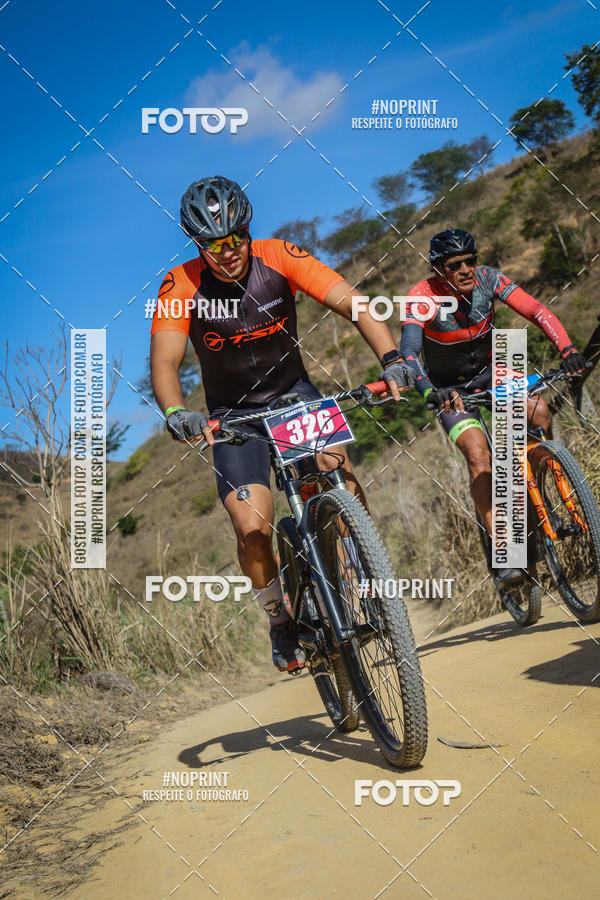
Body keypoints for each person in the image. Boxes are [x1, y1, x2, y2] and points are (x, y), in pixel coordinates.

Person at [150, 175, 415, 672]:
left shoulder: (280, 256)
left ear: (248, 229)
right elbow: (165, 362)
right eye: (212, 244)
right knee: (251, 528)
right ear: (196, 244)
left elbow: (356, 305)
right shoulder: (181, 283)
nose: (227, 252)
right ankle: (279, 618)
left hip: (296, 398)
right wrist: (175, 412)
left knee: (342, 480)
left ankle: (363, 577)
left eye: (235, 238)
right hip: (233, 419)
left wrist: (392, 357)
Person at [401, 227, 587, 587]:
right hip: (448, 387)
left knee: (539, 413)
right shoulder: (420, 296)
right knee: (478, 455)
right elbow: (409, 352)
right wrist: (427, 390)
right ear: (438, 268)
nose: (467, 269)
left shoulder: (490, 279)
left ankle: (540, 493)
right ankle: (505, 549)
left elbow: (536, 311)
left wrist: (567, 350)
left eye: (471, 260)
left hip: (492, 371)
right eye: (456, 265)